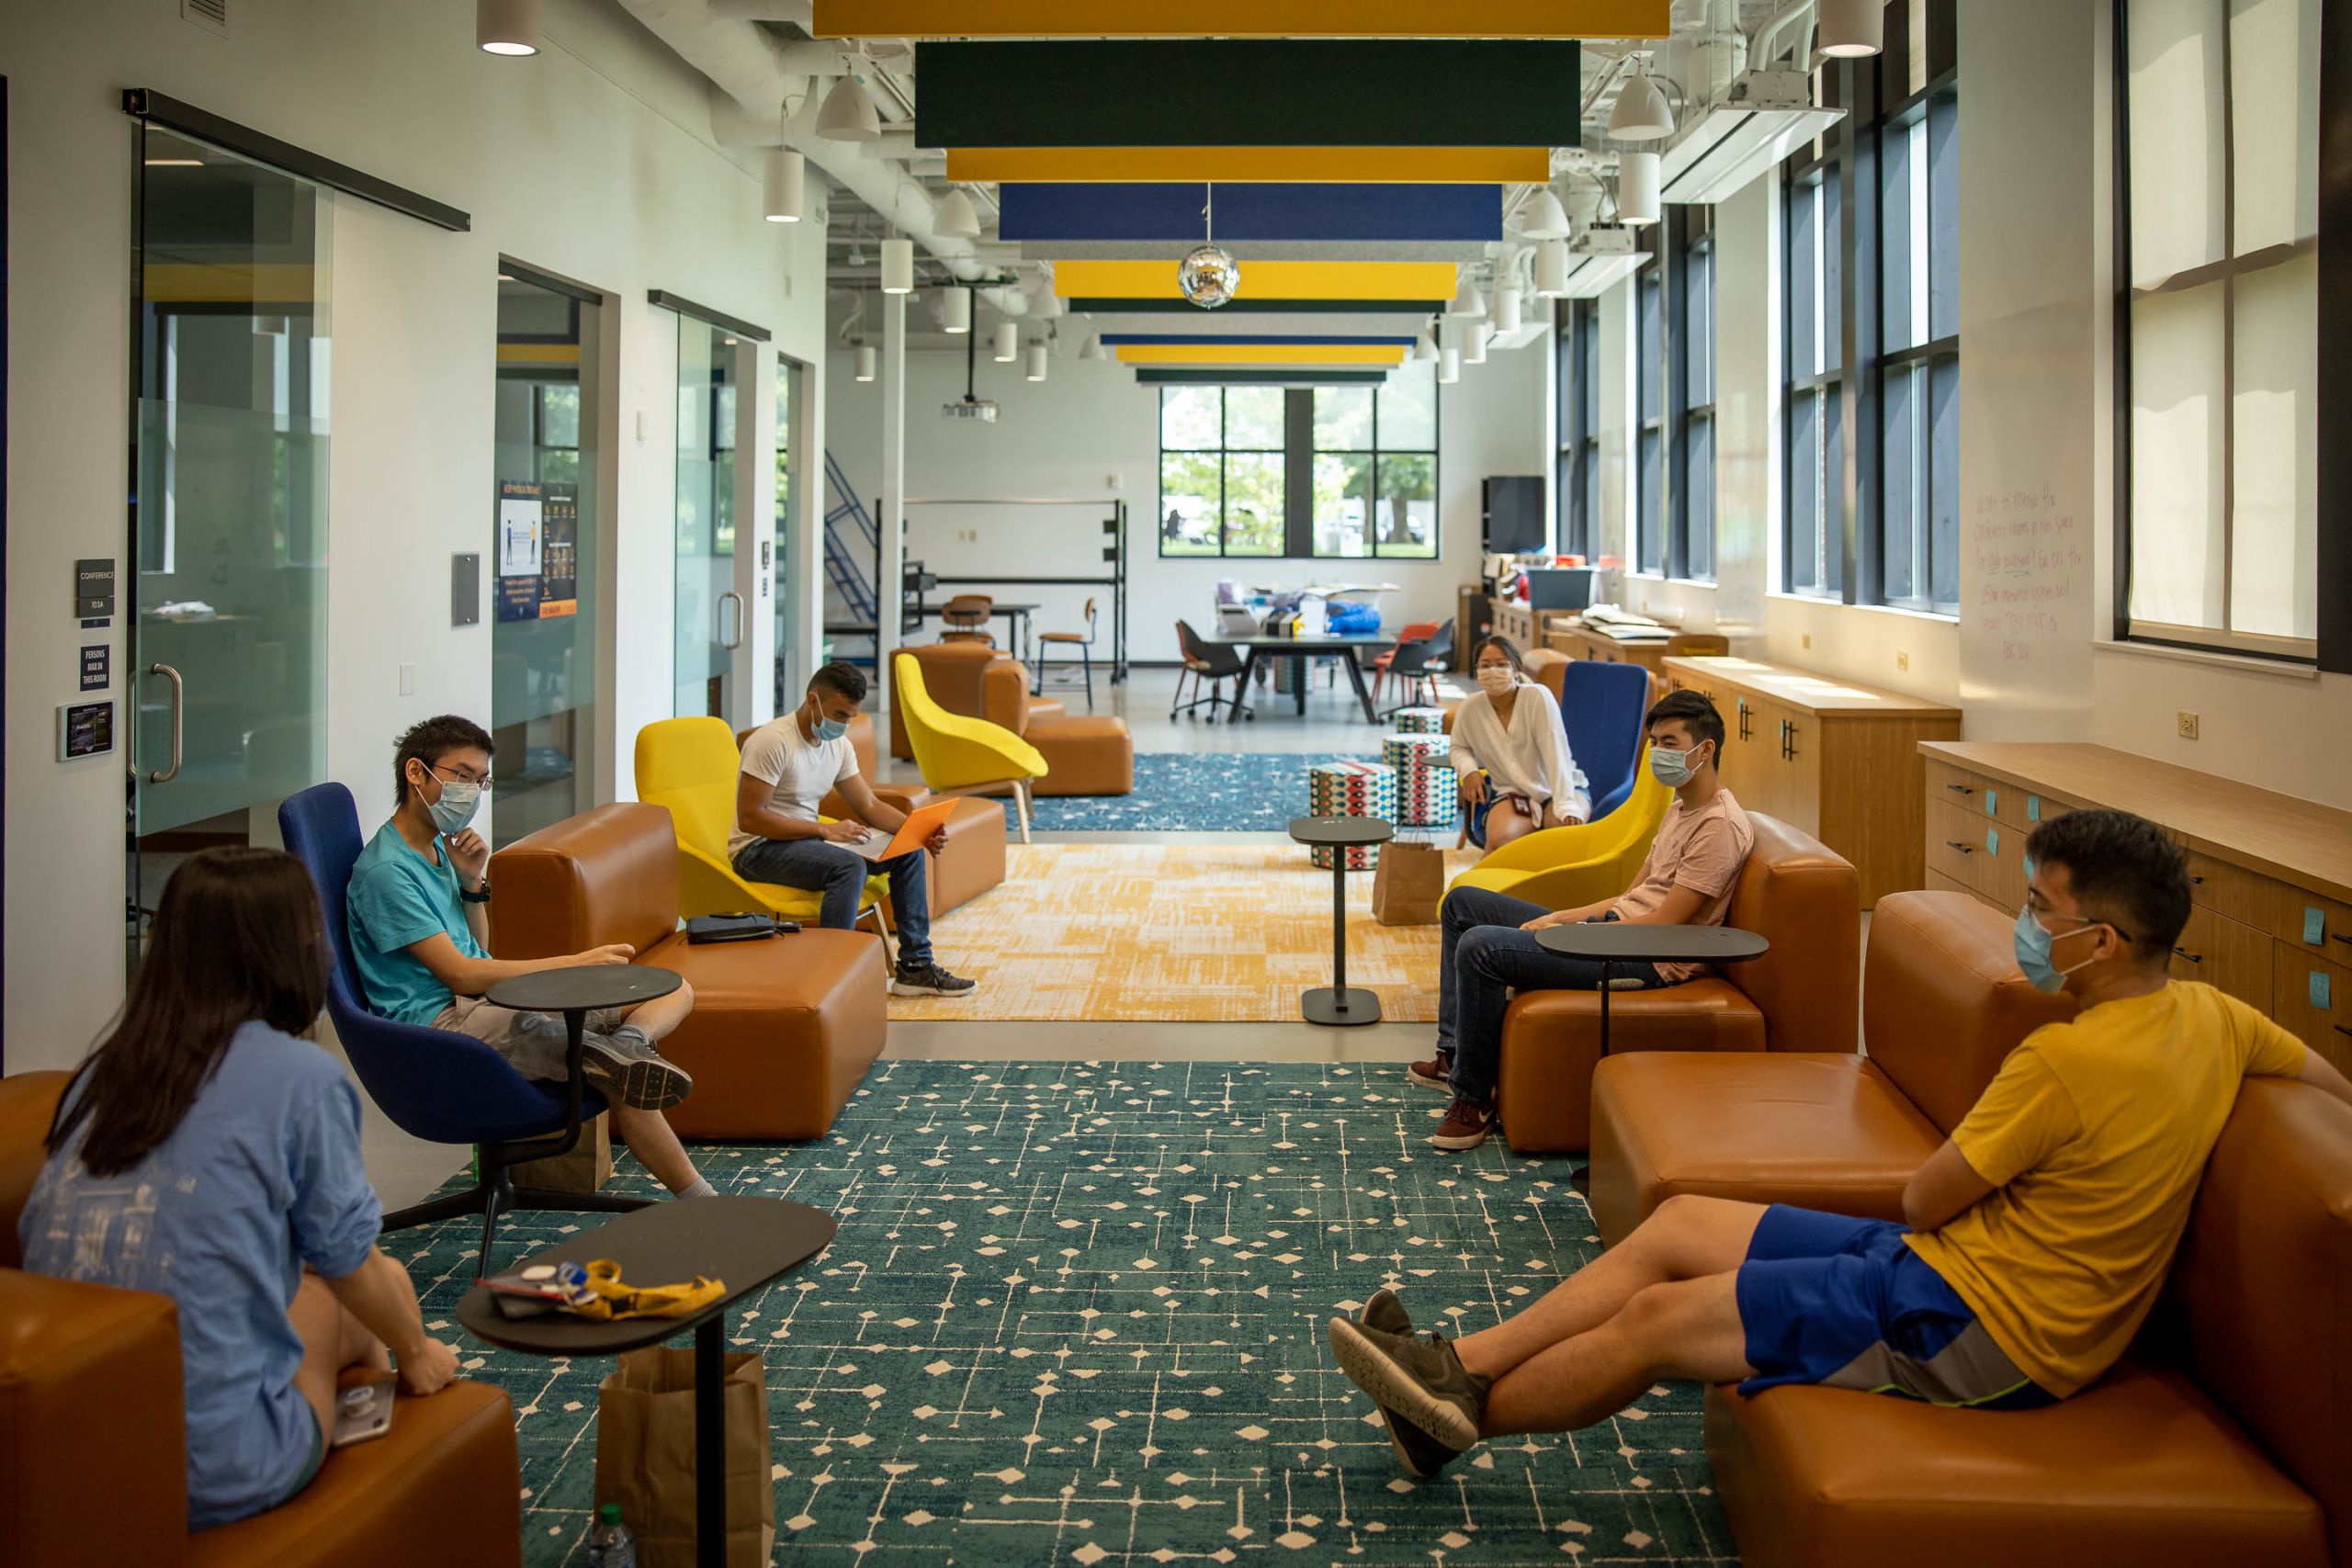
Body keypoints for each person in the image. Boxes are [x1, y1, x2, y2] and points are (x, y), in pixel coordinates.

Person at [1332, 808, 2352, 1480]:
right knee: (1681, 1223)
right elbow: (2330, 1086)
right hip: (1954, 1267)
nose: (2025, 924)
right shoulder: (2219, 1018)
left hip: (1984, 1331)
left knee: (1658, 1318)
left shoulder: (2061, 1062)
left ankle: (1453, 1419)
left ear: (2104, 942)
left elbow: (1924, 1199)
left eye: (2041, 909)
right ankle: (1455, 1363)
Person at [18, 848, 463, 1528]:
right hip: (217, 1464)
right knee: (374, 1295)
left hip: (65, 1448)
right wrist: (419, 1352)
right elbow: (349, 1264)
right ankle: (389, 1485)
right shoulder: (301, 1079)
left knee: (347, 1286)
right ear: (290, 952)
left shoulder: (98, 1079)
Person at [346, 715, 715, 1199]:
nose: (471, 792)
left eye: (480, 781)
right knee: (622, 1079)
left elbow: (478, 950)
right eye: (461, 775)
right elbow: (460, 974)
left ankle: (626, 1044)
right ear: (417, 772)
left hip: (485, 1002)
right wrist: (573, 963)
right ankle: (701, 1202)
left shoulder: (436, 847)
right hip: (443, 1026)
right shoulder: (388, 872)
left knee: (672, 990)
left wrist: (472, 883)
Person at [1414, 689, 1752, 1150]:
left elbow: (1665, 926)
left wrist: (1576, 934)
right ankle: (1455, 1055)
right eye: (1655, 743)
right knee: (1463, 904)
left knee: (1481, 948)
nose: (1659, 754)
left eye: (1671, 743)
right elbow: (1632, 896)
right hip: (1616, 931)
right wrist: (1562, 916)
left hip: (1647, 958)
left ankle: (1473, 1099)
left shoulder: (1719, 826)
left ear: (1705, 749)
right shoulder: (1680, 809)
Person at [732, 660, 977, 998]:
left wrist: (917, 831)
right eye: (839, 714)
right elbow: (751, 818)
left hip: (805, 842)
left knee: (906, 851)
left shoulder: (838, 746)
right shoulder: (772, 742)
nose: (844, 724)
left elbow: (870, 806)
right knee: (847, 866)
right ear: (813, 700)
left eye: (850, 717)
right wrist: (824, 832)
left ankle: (915, 968)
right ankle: (835, 978)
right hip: (757, 850)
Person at [1449, 635, 1589, 852]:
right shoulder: (1471, 707)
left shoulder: (1537, 697)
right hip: (1514, 794)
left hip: (1563, 788)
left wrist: (1565, 805)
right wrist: (1469, 771)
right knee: (1499, 842)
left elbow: (1556, 753)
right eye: (1485, 665)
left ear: (1515, 668)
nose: (1492, 671)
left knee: (1562, 837)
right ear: (1476, 670)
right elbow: (1458, 747)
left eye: (1501, 664)